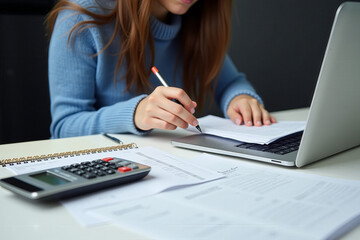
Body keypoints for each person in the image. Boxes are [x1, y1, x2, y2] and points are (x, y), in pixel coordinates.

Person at [46, 0, 276, 138]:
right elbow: (64, 126)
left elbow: (230, 82)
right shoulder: (81, 18)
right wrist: (135, 114)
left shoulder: (197, 19)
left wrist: (240, 98)